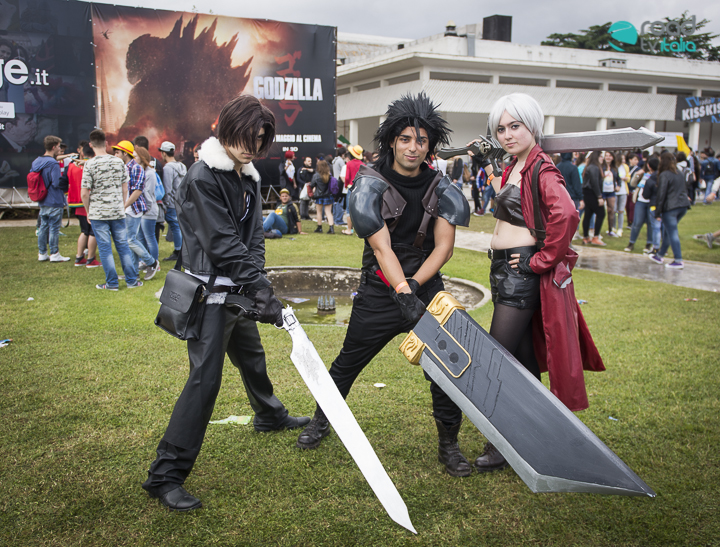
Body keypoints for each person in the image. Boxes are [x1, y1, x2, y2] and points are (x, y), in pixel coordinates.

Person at [142, 94, 309, 511]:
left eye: (261, 139)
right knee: (205, 380)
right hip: (209, 295)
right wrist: (260, 289)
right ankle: (165, 475)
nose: (253, 146)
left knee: (252, 356)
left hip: (237, 289)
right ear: (227, 129)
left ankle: (269, 415)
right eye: (248, 137)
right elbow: (222, 243)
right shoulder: (202, 177)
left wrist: (256, 282)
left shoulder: (246, 175)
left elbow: (252, 238)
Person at [296, 92, 475, 478]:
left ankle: (449, 444)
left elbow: (443, 248)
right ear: (392, 140)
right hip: (380, 291)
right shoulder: (369, 183)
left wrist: (414, 287)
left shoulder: (441, 186)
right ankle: (321, 420)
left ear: (430, 145)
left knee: (445, 371)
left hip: (425, 289)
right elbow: (381, 249)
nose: (413, 147)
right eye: (406, 138)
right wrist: (401, 291)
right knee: (348, 362)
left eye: (422, 140)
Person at [469, 93, 604, 472]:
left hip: (520, 272)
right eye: (501, 129)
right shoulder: (517, 165)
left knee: (496, 358)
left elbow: (567, 215)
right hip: (503, 269)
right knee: (523, 362)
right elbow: (509, 201)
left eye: (515, 126)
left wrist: (539, 260)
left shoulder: (542, 168)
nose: (507, 134)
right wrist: (488, 165)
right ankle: (538, 436)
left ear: (532, 126)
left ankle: (502, 442)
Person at [81, 129, 141, 290]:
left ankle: (112, 283)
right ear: (106, 143)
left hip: (98, 213)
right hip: (117, 211)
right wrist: (122, 205)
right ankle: (131, 281)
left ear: (90, 145)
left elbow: (84, 193)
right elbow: (125, 187)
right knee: (123, 246)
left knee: (105, 248)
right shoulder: (118, 162)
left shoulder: (89, 164)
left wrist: (88, 211)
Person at [113, 140, 160, 280]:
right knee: (130, 241)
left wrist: (124, 205)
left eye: (117, 152)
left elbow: (138, 191)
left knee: (130, 240)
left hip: (133, 209)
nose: (115, 155)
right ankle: (133, 274)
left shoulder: (136, 168)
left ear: (125, 153)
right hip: (127, 209)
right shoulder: (123, 167)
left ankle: (152, 262)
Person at [649, 151, 691, 269]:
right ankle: (660, 255)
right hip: (682, 206)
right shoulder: (679, 173)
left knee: (672, 233)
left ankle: (678, 260)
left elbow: (661, 194)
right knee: (668, 231)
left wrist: (658, 212)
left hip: (671, 207)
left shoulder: (664, 175)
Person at [34, 135, 70, 262]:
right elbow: (56, 183)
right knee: (54, 228)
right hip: (54, 199)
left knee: (43, 227)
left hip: (42, 199)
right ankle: (54, 253)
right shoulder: (53, 163)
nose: (60, 149)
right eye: (59, 147)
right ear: (54, 147)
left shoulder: (37, 161)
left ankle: (42, 253)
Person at [67, 143, 100, 267]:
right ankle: (91, 259)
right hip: (90, 201)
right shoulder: (92, 166)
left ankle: (79, 257)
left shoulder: (71, 166)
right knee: (93, 232)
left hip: (76, 201)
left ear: (82, 153)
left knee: (84, 231)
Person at [134, 146, 161, 278]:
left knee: (149, 237)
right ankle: (145, 261)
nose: (133, 158)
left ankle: (154, 263)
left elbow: (148, 194)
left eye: (135, 156)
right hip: (141, 209)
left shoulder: (150, 173)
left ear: (142, 157)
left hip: (148, 210)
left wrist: (146, 208)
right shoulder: (140, 170)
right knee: (140, 237)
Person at [625, 157, 660, 253]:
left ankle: (649, 244)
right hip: (641, 201)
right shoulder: (643, 174)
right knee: (637, 223)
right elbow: (633, 184)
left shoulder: (657, 176)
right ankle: (631, 243)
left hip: (651, 202)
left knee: (650, 224)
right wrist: (637, 174)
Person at [160, 141, 187, 261]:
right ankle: (181, 250)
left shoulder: (168, 168)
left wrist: (165, 204)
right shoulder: (182, 166)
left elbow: (167, 188)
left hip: (172, 202)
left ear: (164, 153)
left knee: (175, 226)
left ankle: (178, 251)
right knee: (179, 226)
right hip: (182, 201)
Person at [581, 151, 606, 246]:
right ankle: (595, 237)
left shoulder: (589, 167)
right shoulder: (594, 167)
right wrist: (599, 196)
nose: (602, 158)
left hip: (587, 193)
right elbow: (595, 182)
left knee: (588, 214)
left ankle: (586, 237)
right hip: (592, 193)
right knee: (601, 213)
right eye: (600, 156)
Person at [341, 146, 364, 235]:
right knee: (359, 209)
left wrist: (346, 185)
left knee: (349, 209)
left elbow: (347, 177)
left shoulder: (349, 164)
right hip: (360, 188)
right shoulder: (363, 164)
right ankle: (359, 230)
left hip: (351, 187)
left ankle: (349, 229)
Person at [309, 159, 335, 234]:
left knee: (319, 212)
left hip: (319, 196)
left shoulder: (316, 175)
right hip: (328, 195)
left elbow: (312, 184)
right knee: (328, 212)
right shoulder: (329, 175)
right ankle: (331, 228)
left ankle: (319, 227)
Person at [615, 152, 630, 237]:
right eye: (622, 158)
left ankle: (620, 228)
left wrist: (625, 178)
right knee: (613, 210)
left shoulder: (625, 167)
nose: (624, 160)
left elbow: (629, 178)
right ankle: (613, 227)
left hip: (623, 190)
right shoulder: (615, 167)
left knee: (621, 210)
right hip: (615, 190)